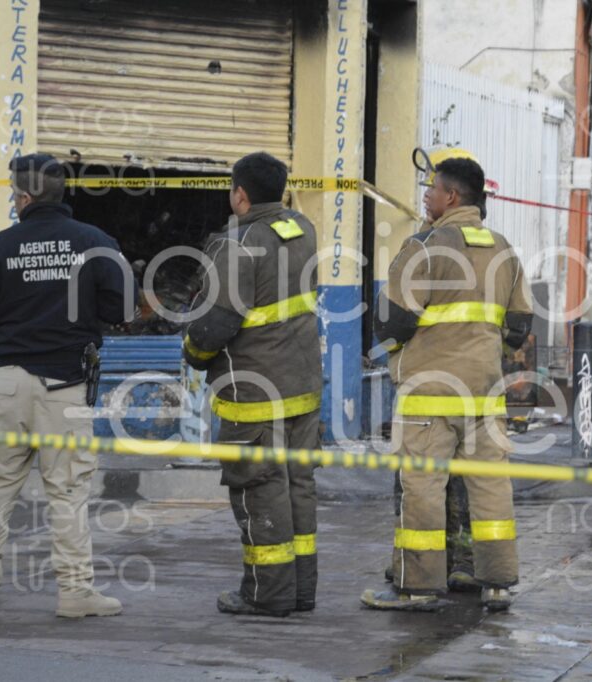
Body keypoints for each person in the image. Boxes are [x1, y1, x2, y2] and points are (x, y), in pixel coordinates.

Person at [0, 153, 136, 617]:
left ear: (23, 197)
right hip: (66, 387)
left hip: (9, 383)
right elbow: (121, 308)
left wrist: (16, 306)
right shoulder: (95, 242)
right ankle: (75, 594)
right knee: (69, 491)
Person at [361, 157, 532, 612]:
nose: (426, 196)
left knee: (422, 488)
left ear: (451, 197)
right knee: (491, 485)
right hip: (485, 392)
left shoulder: (427, 246)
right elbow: (518, 326)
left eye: (432, 189)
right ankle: (495, 582)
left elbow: (389, 319)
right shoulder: (504, 249)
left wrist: (405, 351)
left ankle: (416, 586)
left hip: (430, 392)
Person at [183, 151, 323, 618]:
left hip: (254, 393)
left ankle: (267, 593)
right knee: (296, 485)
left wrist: (193, 355)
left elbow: (214, 323)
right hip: (303, 387)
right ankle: (300, 591)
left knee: (259, 488)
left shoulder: (235, 244)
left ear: (239, 195)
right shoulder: (304, 230)